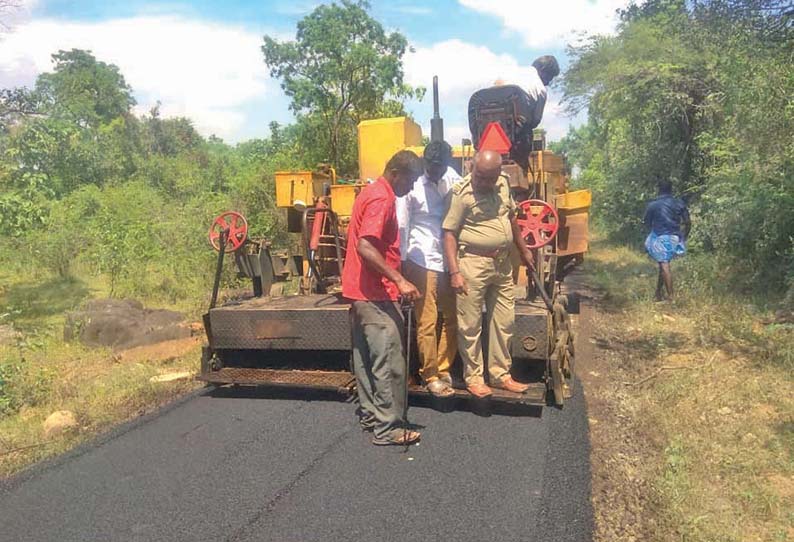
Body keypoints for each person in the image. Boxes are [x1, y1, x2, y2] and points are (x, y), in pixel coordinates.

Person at [342, 150, 424, 446]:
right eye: (411, 180)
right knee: (389, 359)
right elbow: (366, 246)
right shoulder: (383, 198)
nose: (412, 187)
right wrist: (399, 279)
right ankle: (389, 427)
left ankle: (371, 415)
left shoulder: (369, 192)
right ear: (397, 174)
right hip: (376, 294)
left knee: (364, 358)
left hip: (358, 292)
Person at [442, 150, 535, 398]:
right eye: (480, 176)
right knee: (470, 324)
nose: (484, 183)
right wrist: (454, 272)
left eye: (489, 179)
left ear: (498, 175)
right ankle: (474, 378)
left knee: (504, 321)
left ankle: (500, 375)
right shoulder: (461, 193)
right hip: (472, 263)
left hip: (503, 263)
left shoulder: (503, 183)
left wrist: (524, 250)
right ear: (472, 167)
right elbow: (449, 233)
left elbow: (512, 219)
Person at [396, 141, 462, 398]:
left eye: (440, 168)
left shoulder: (451, 178)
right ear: (425, 163)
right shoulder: (413, 188)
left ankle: (445, 368)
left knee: (453, 317)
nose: (435, 173)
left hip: (448, 259)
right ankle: (430, 375)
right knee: (427, 320)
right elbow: (403, 225)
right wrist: (402, 266)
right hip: (421, 259)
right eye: (432, 168)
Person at [643, 178, 691, 301]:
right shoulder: (679, 203)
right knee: (663, 264)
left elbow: (647, 223)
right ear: (671, 190)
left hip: (660, 237)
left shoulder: (653, 205)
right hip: (675, 238)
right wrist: (683, 237)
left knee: (664, 264)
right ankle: (658, 293)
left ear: (659, 190)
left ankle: (671, 298)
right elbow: (687, 222)